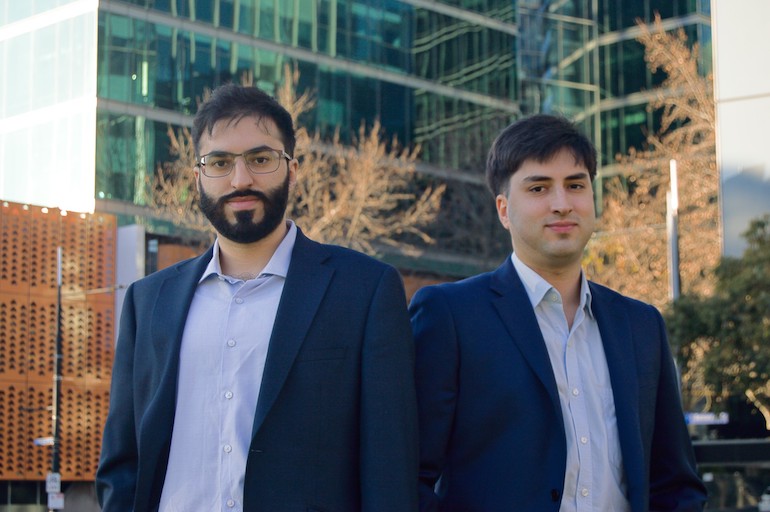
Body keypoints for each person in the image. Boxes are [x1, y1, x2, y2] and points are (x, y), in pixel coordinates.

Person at [96, 83, 419, 512]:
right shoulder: (147, 301)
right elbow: (123, 465)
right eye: (220, 162)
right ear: (197, 176)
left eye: (260, 159)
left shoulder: (365, 291)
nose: (241, 179)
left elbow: (390, 468)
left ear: (292, 170)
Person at [410, 114, 707, 512]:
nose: (562, 204)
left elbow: (676, 483)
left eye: (575, 185)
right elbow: (408, 476)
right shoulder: (449, 315)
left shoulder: (641, 325)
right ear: (503, 209)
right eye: (539, 188)